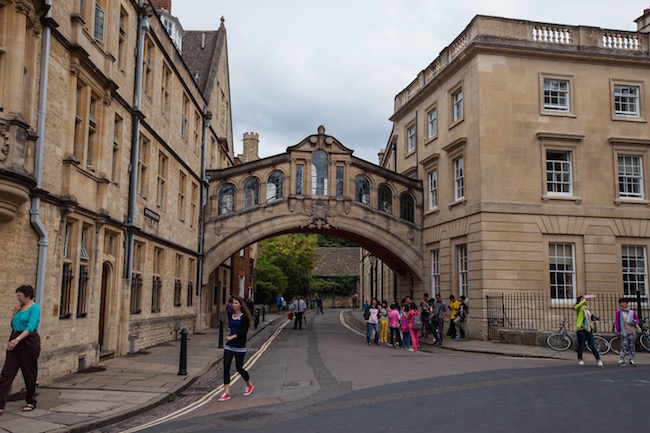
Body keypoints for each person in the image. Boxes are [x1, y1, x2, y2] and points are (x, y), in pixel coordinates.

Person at [0, 285, 41, 414]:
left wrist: (17, 340)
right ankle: (0, 405)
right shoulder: (20, 308)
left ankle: (31, 401)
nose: (18, 298)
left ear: (28, 296)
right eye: (17, 295)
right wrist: (14, 313)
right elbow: (13, 324)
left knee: (29, 373)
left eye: (20, 296)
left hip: (28, 341)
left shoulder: (34, 308)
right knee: (6, 374)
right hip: (15, 337)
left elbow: (30, 327)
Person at [218, 296, 254, 401]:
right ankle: (226, 392)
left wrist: (232, 336)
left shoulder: (245, 318)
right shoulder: (231, 315)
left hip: (239, 346)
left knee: (239, 368)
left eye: (236, 303)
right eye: (233, 303)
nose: (234, 305)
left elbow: (243, 333)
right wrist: (230, 300)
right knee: (226, 367)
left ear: (240, 305)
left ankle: (249, 384)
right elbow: (227, 308)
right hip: (229, 346)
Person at [575, 294, 603, 367]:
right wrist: (585, 299)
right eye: (581, 300)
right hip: (581, 329)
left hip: (588, 329)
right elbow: (578, 306)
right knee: (581, 345)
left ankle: (598, 359)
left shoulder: (586, 309)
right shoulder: (578, 308)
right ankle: (580, 359)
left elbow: (590, 317)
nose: (584, 301)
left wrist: (595, 318)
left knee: (592, 345)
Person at [615, 298, 639, 366]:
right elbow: (617, 322)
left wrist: (634, 322)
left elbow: (637, 320)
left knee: (632, 346)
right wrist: (618, 330)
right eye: (621, 303)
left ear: (626, 304)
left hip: (632, 331)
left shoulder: (632, 312)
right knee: (623, 346)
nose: (622, 304)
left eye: (624, 303)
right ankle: (622, 359)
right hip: (624, 331)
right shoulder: (619, 312)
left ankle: (631, 359)